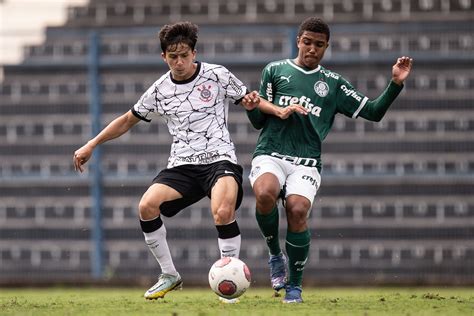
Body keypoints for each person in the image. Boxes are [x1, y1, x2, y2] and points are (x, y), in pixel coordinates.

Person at [73, 21, 259, 301]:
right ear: (164, 57)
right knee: (147, 206)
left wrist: (271, 109)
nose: (180, 62)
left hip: (219, 160)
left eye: (184, 55)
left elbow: (249, 99)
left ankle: (227, 283)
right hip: (182, 165)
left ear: (194, 53)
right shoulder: (160, 90)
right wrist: (92, 143)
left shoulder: (217, 75)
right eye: (173, 57)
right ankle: (169, 274)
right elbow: (126, 120)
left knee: (222, 212)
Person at [242, 17, 413, 303]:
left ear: (326, 47)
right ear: (298, 41)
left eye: (319, 45)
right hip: (271, 151)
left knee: (296, 211)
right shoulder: (275, 70)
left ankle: (294, 287)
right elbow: (259, 121)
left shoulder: (333, 83)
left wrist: (395, 84)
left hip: (307, 161)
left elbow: (373, 112)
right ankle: (275, 254)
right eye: (307, 42)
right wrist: (251, 109)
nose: (312, 49)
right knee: (265, 193)